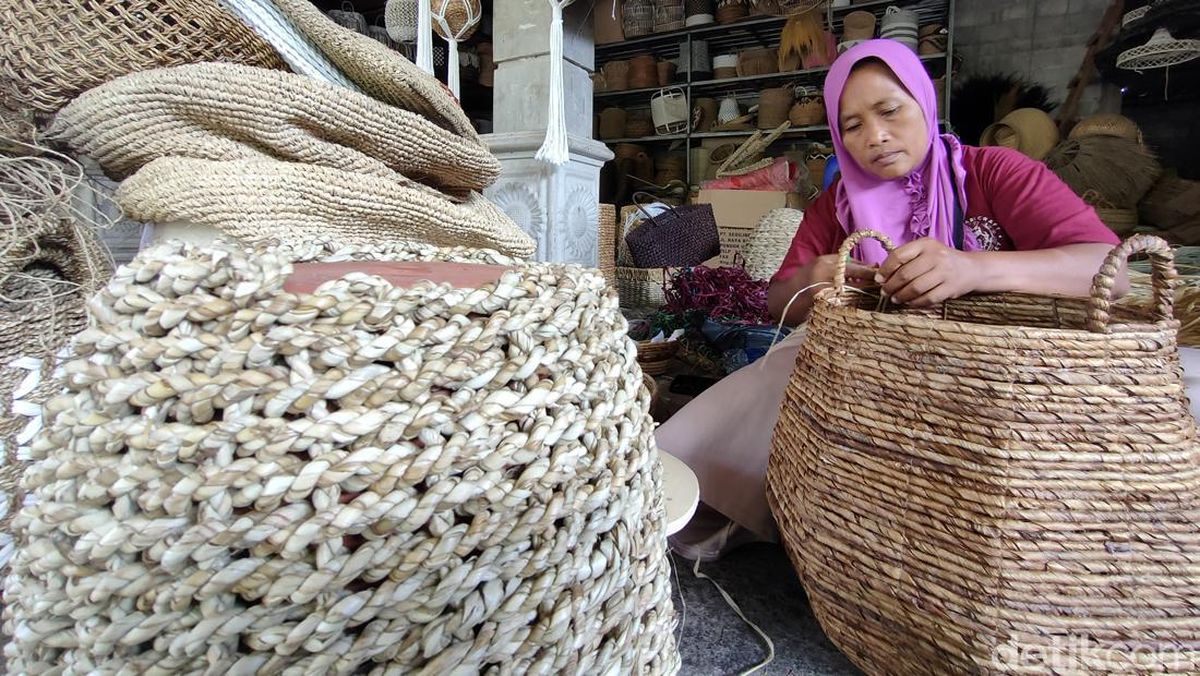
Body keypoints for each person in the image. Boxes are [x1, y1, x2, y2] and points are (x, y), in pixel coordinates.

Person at [658, 39, 1135, 561]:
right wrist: (814, 279)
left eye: (889, 111)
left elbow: (1111, 274)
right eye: (853, 126)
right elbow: (777, 306)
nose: (876, 137)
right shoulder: (833, 209)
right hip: (874, 368)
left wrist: (972, 267)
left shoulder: (993, 172)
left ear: (925, 104)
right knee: (760, 391)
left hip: (995, 374)